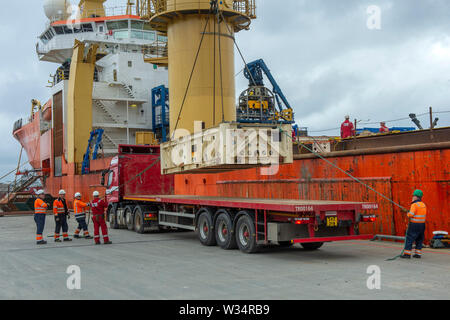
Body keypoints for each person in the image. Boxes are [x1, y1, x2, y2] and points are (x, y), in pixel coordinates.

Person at [401, 189, 427, 259]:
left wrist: (407, 213)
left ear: (416, 197)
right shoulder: (423, 204)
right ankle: (418, 254)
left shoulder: (414, 204)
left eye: (413, 196)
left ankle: (407, 254)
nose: (412, 197)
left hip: (414, 225)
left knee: (409, 238)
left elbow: (411, 215)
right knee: (419, 239)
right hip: (422, 225)